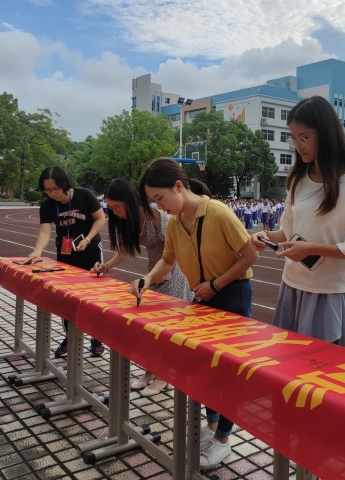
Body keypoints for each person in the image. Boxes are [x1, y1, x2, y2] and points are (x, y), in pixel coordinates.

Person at [131, 157, 259, 471]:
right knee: (205, 366)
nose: (160, 206)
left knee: (228, 368)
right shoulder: (174, 223)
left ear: (179, 186)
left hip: (231, 293)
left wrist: (215, 285)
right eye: (154, 201)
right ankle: (213, 427)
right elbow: (167, 260)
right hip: (201, 295)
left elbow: (249, 255)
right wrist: (147, 279)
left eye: (160, 198)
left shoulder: (218, 212)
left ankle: (224, 439)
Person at [251, 96, 345, 349]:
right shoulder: (298, 178)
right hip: (292, 286)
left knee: (324, 366)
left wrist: (311, 249)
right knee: (287, 363)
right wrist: (266, 237)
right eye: (294, 139)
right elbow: (288, 232)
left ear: (326, 133)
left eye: (304, 138)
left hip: (330, 291)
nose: (298, 146)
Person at [91, 178, 192, 396]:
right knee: (152, 327)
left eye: (118, 207)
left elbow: (174, 252)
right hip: (153, 273)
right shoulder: (127, 221)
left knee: (167, 328)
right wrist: (107, 266)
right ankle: (150, 371)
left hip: (173, 271)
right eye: (112, 208)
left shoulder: (157, 217)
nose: (116, 212)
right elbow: (124, 251)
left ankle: (165, 376)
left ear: (130, 201)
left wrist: (157, 276)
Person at [26, 166, 107, 358]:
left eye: (55, 189)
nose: (52, 193)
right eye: (47, 190)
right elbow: (44, 231)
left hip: (90, 252)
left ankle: (97, 338)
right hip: (65, 254)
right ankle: (71, 337)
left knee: (93, 297)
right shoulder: (47, 205)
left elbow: (100, 219)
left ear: (64, 184)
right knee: (67, 298)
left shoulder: (84, 196)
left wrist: (88, 239)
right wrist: (38, 250)